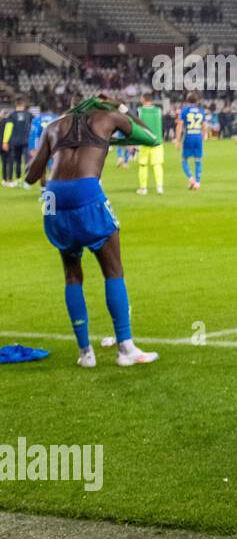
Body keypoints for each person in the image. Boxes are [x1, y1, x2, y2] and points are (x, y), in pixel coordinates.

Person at [24, 95, 161, 367]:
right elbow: (151, 137)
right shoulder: (108, 117)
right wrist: (121, 108)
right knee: (113, 269)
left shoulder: (53, 126)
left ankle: (85, 353)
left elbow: (30, 176)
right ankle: (125, 347)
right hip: (85, 191)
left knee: (71, 272)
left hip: (53, 198)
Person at [134, 91, 165, 195]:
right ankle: (159, 187)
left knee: (143, 165)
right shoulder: (159, 110)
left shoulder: (140, 111)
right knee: (157, 165)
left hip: (144, 141)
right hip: (157, 140)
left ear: (143, 99)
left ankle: (143, 188)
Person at [176, 92, 207, 190]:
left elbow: (180, 125)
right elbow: (204, 125)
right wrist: (203, 135)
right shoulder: (201, 111)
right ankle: (197, 182)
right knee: (198, 160)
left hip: (189, 136)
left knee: (184, 160)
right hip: (198, 136)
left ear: (187, 100)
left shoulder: (184, 111)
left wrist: (178, 140)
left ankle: (190, 177)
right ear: (197, 101)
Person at [1, 99, 32, 187]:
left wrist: (5, 141)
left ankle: (18, 179)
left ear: (16, 105)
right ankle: (26, 182)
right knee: (27, 161)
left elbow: (8, 128)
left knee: (17, 161)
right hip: (26, 141)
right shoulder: (29, 115)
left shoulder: (12, 115)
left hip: (15, 142)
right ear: (23, 105)